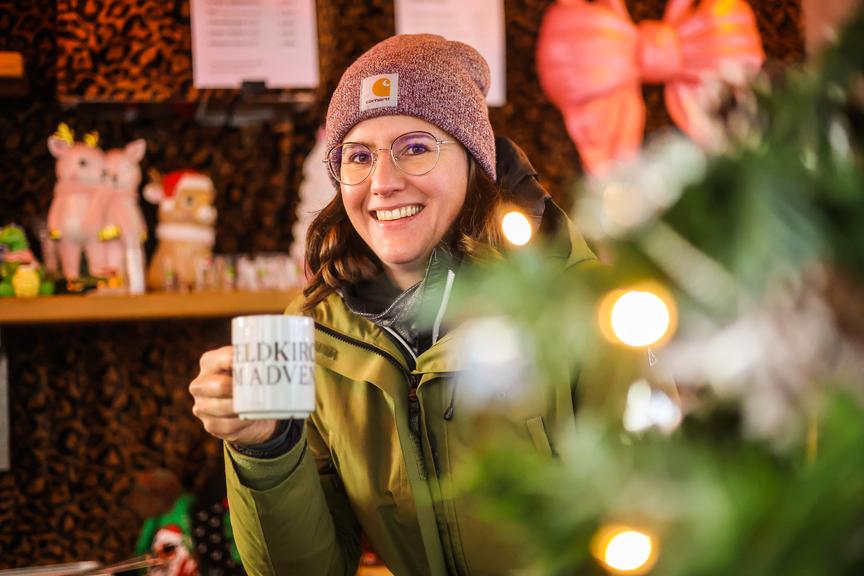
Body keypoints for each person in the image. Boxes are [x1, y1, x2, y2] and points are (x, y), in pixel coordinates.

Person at [189, 34, 599, 576]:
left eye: (415, 147)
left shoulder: (576, 303)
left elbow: (665, 519)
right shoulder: (315, 333)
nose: (382, 182)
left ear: (473, 160)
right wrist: (264, 446)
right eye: (358, 157)